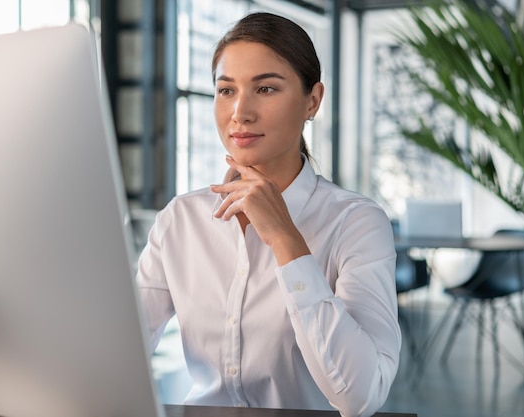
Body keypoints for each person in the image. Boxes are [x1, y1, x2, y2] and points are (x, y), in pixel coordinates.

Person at [137, 11, 401, 417]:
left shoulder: (357, 223)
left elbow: (361, 395)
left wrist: (285, 240)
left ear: (312, 101)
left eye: (265, 88)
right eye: (226, 91)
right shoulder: (180, 220)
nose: (240, 112)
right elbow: (123, 347)